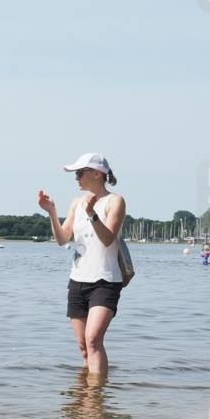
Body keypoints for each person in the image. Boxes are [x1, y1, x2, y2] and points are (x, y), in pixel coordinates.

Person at [37, 153, 126, 378]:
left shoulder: (115, 201)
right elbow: (62, 239)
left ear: (97, 174)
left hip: (105, 282)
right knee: (83, 347)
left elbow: (107, 239)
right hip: (77, 281)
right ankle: (87, 396)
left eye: (80, 173)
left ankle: (96, 398)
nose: (76, 178)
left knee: (94, 339)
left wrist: (92, 213)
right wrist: (52, 212)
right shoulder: (76, 203)